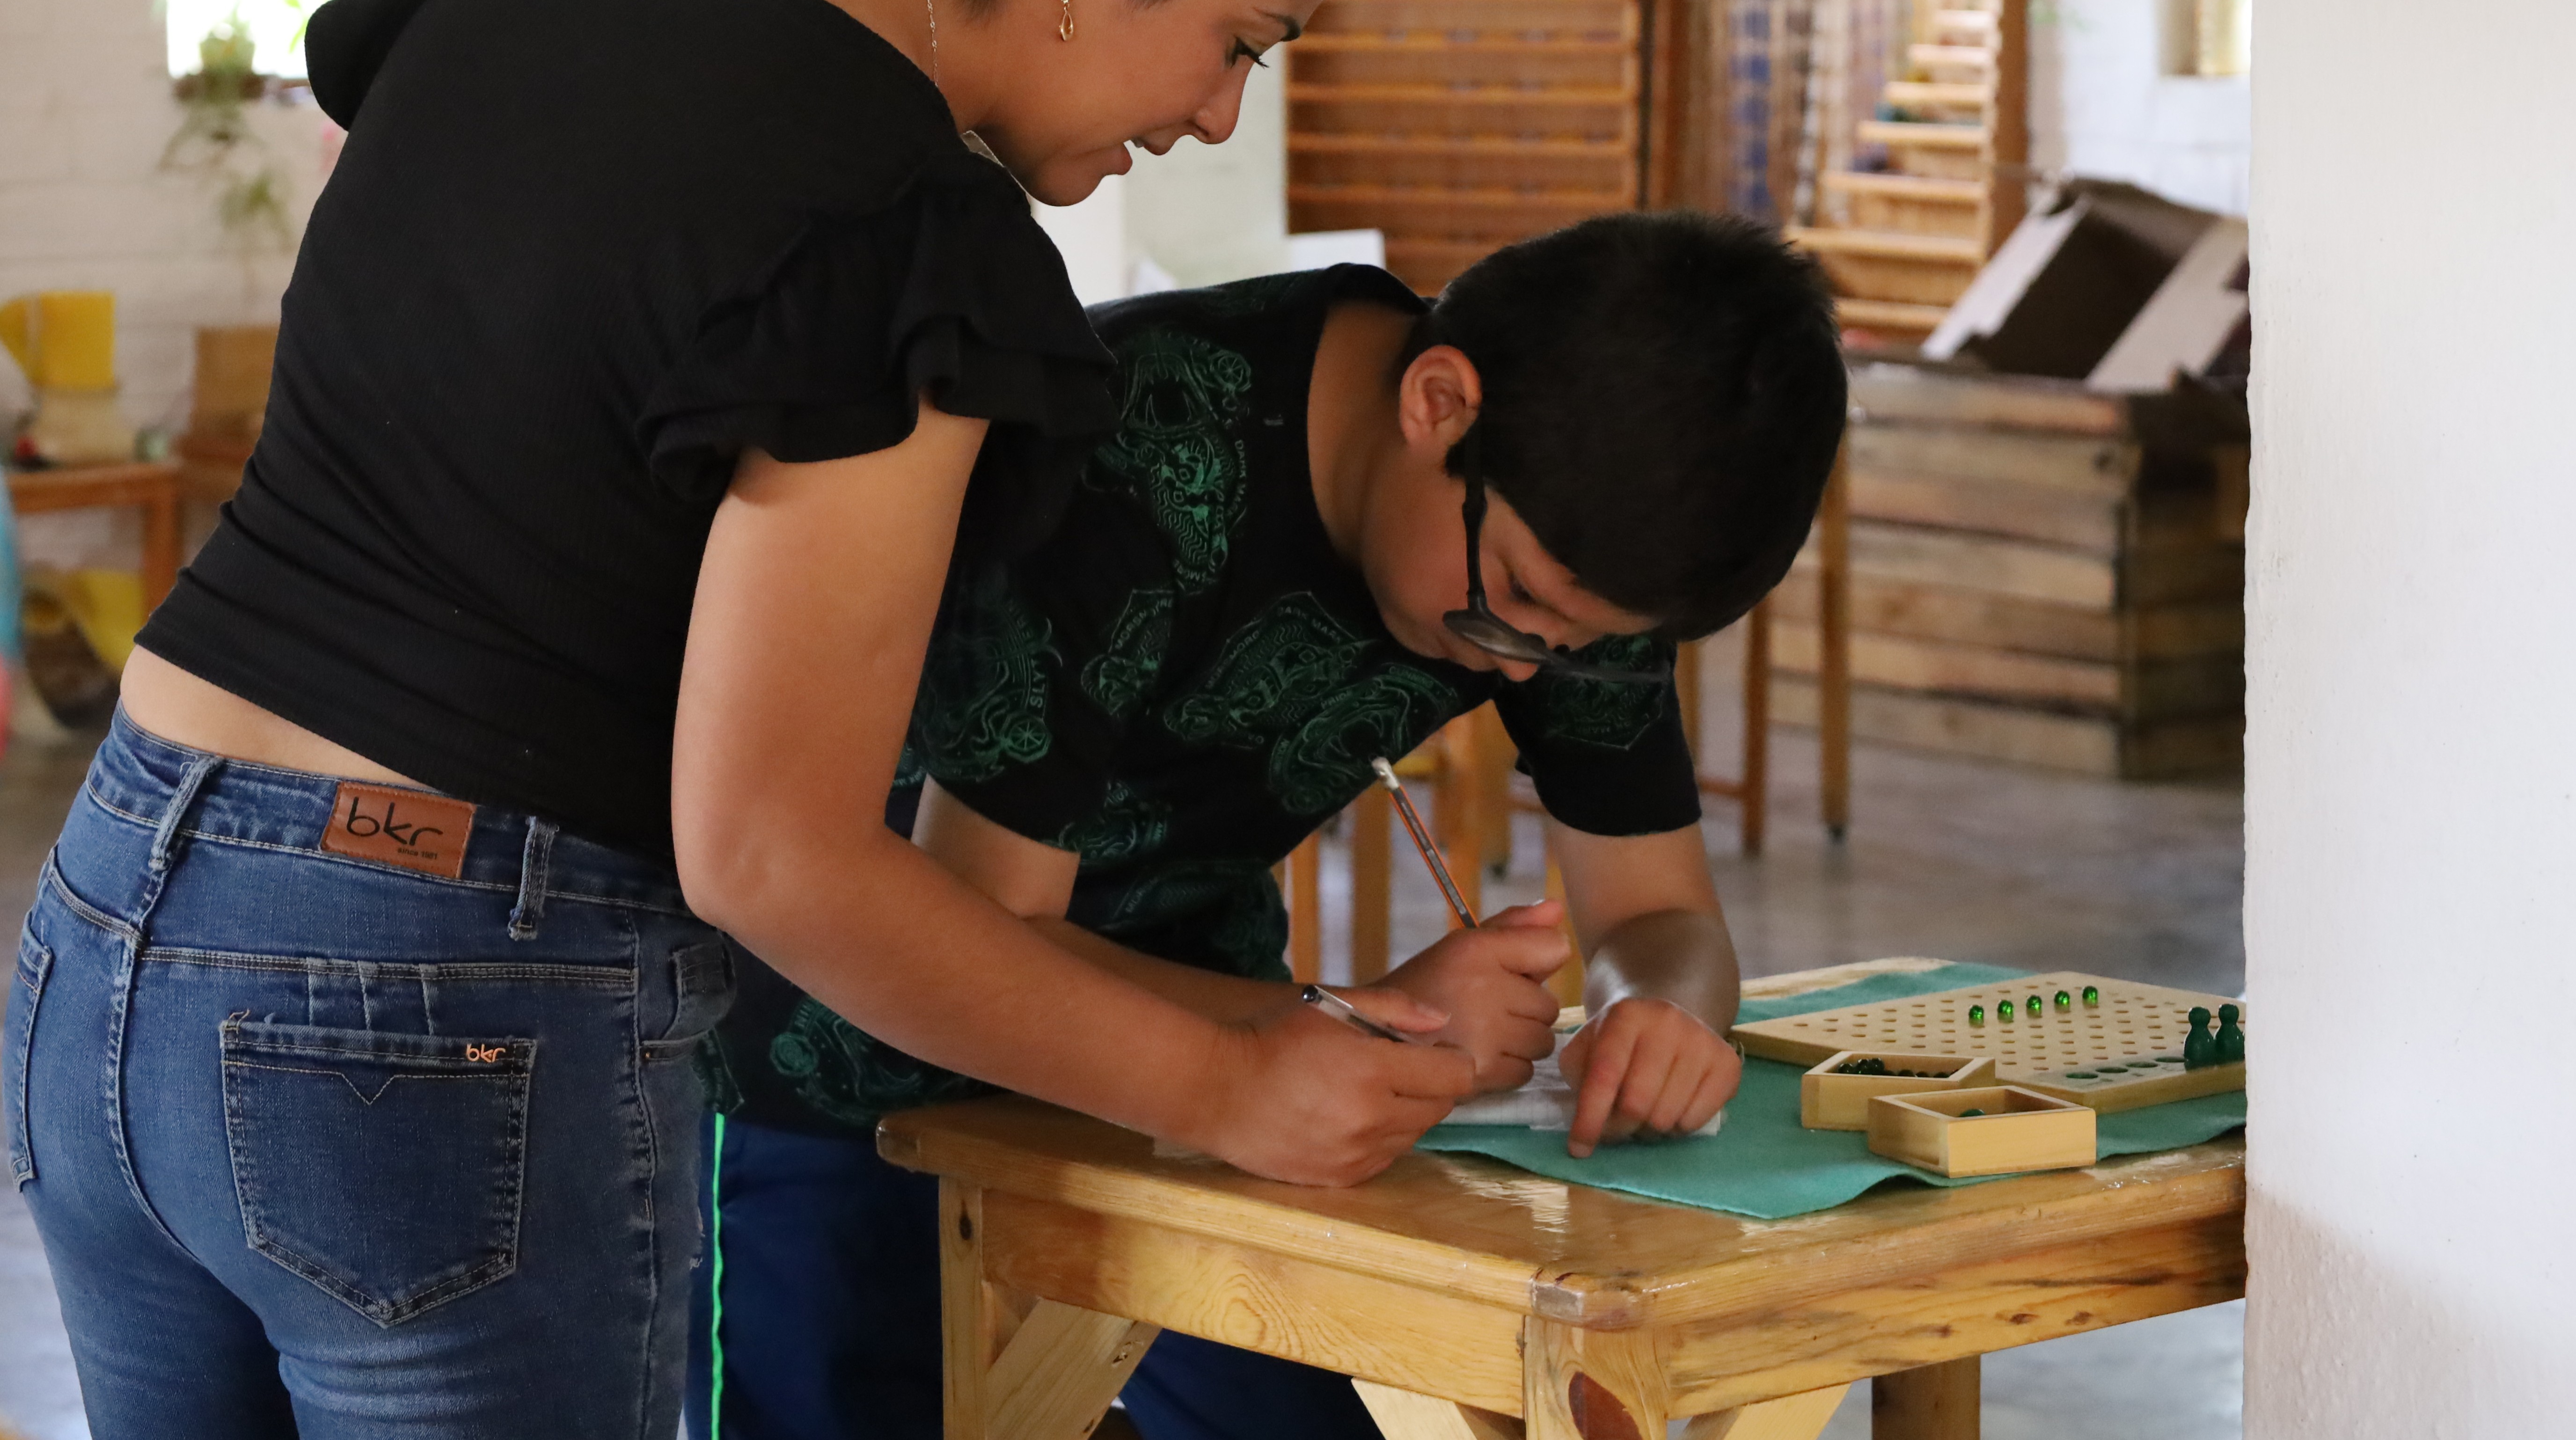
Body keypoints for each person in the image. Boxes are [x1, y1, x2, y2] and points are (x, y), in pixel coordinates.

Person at [1, 0, 1476, 1435]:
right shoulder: (903, 230)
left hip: (111, 924)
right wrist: (1229, 1080)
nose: (1220, 117)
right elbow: (775, 855)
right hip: (429, 1002)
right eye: (1243, 39)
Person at [688, 212, 1849, 1440]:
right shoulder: (1133, 451)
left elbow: (1662, 911)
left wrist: (1652, 1008)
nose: (1531, 670)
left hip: (1208, 1049)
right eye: (1517, 608)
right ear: (1440, 403)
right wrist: (1339, 1023)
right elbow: (970, 930)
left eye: (1580, 644)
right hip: (845, 1041)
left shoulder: (1566, 540)